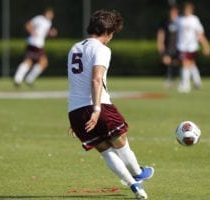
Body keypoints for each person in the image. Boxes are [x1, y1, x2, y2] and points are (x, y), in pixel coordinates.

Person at [67, 10, 154, 199]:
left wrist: (76, 120)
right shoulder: (101, 49)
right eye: (112, 33)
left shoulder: (74, 48)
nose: (111, 38)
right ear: (107, 32)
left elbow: (76, 83)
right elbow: (96, 80)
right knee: (120, 142)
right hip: (100, 106)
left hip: (75, 111)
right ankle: (137, 172)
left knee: (105, 151)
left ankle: (134, 186)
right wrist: (96, 110)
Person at [13, 8, 57, 87]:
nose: (50, 15)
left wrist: (51, 33)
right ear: (45, 13)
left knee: (38, 62)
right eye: (48, 13)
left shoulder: (49, 23)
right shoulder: (39, 18)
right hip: (33, 43)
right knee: (38, 61)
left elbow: (44, 33)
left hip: (39, 45)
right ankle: (22, 79)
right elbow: (28, 24)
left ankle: (22, 79)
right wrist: (32, 32)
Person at [175, 1, 210, 93]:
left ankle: (186, 86)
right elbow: (175, 32)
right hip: (181, 46)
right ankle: (197, 81)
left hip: (192, 46)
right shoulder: (179, 19)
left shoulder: (194, 20)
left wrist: (206, 46)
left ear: (191, 10)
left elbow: (200, 33)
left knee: (186, 63)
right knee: (190, 64)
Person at [157, 4, 179, 89]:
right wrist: (160, 46)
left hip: (177, 48)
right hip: (168, 48)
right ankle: (167, 80)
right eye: (172, 12)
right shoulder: (165, 22)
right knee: (167, 63)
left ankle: (175, 80)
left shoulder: (180, 22)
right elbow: (161, 35)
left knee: (176, 64)